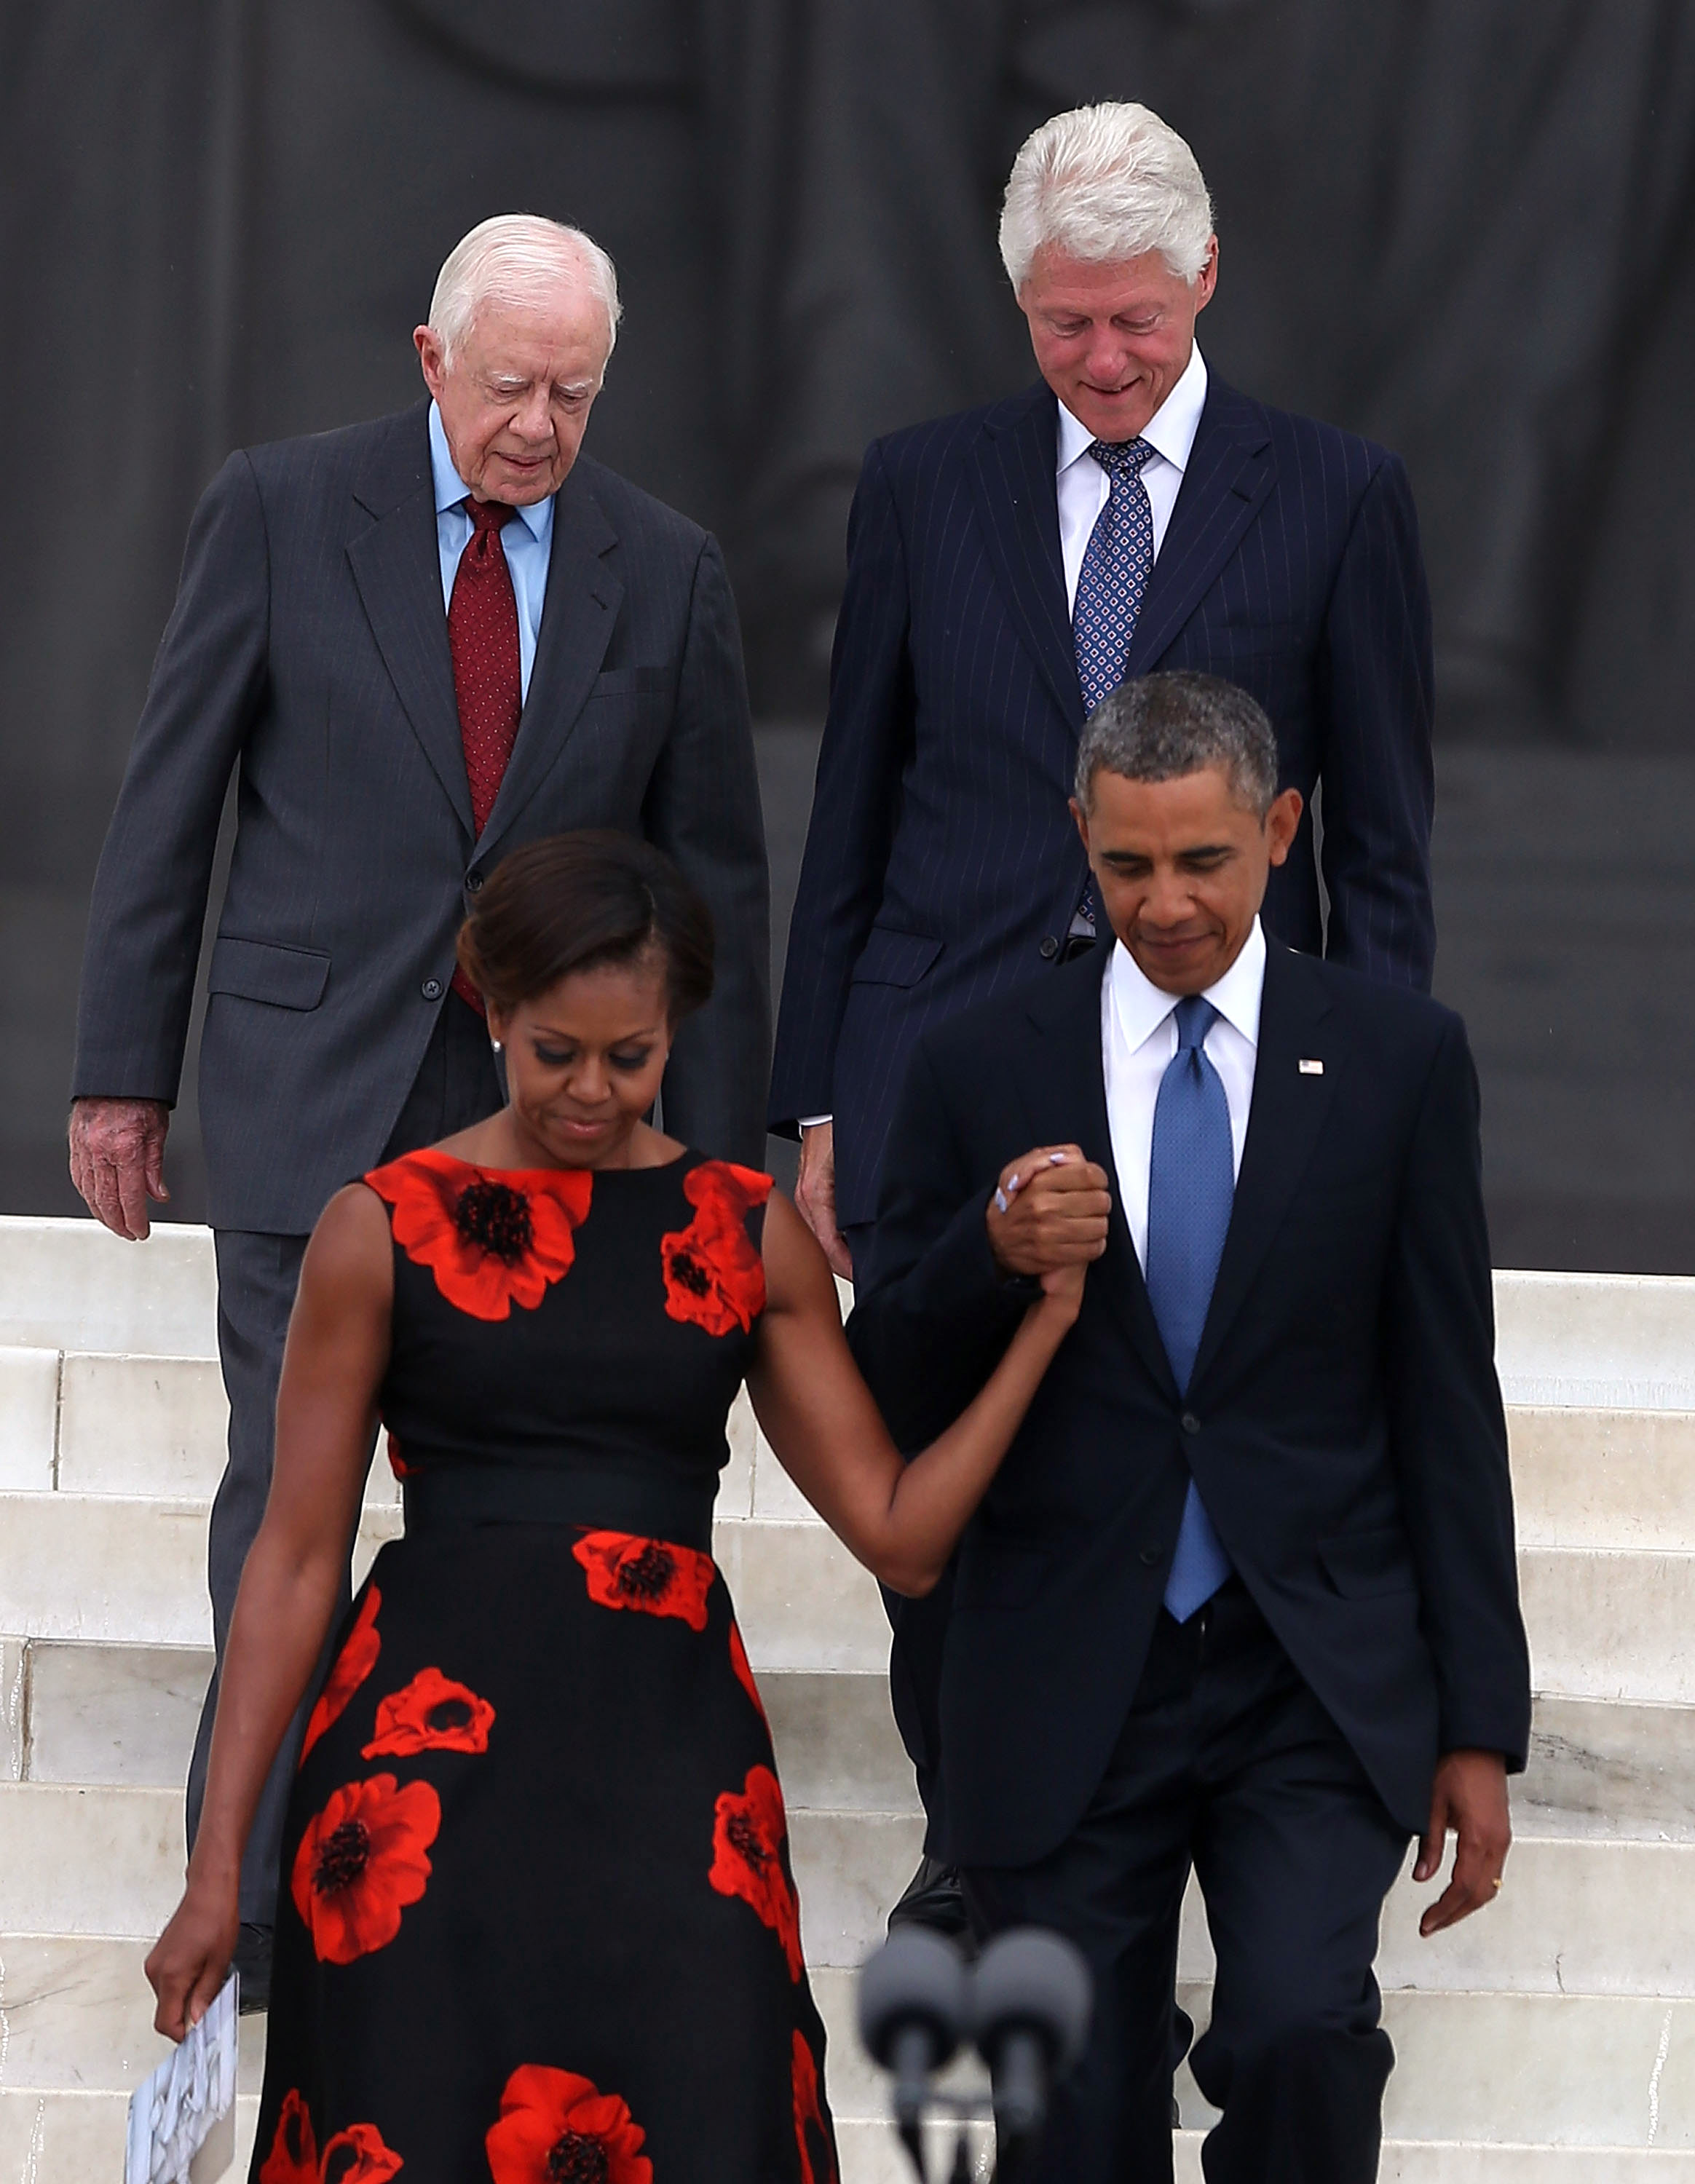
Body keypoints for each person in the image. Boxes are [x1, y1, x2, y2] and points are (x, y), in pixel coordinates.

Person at [143, 830, 1081, 2182]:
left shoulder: (740, 1228)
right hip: (423, 1780)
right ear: (491, 1003)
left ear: (674, 1031)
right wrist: (217, 1866)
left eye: (629, 1057)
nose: (590, 1092)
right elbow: (293, 1565)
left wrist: (1044, 1323)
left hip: (670, 1783)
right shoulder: (381, 1226)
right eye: (554, 1054)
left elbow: (901, 1534)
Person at [69, 216, 770, 2001]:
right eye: (511, 384)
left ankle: (492, 1877)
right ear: (429, 357)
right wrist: (120, 1069)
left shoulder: (662, 566)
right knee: (279, 1491)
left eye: (576, 392)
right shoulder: (285, 510)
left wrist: (734, 1155)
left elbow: (716, 880)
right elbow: (173, 802)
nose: (538, 424)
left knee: (511, 1513)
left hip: (554, 1137)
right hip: (313, 1091)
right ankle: (261, 1883)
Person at [770, 98, 1436, 1928]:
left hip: (1227, 1081)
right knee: (944, 1454)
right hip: (945, 1062)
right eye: (1066, 324)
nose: (1105, 359)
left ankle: (1144, 1802)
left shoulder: (1336, 495)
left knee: (1154, 1429)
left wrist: (1369, 1097)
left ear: (1207, 277)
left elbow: (1376, 843)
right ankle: (972, 1823)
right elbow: (858, 803)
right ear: (1019, 306)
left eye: (1138, 319)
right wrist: (820, 1090)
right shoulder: (922, 480)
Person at [846, 674, 1531, 2181]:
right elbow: (884, 1369)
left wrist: (1479, 1724)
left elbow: (1444, 1399)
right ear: (1080, 841)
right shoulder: (978, 1061)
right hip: (1064, 1662)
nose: (1165, 904)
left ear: (1279, 832)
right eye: (1128, 865)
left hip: (1311, 1665)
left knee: (1298, 2032)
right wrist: (988, 1249)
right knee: (1074, 2103)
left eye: (1203, 862)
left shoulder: (1398, 1060)